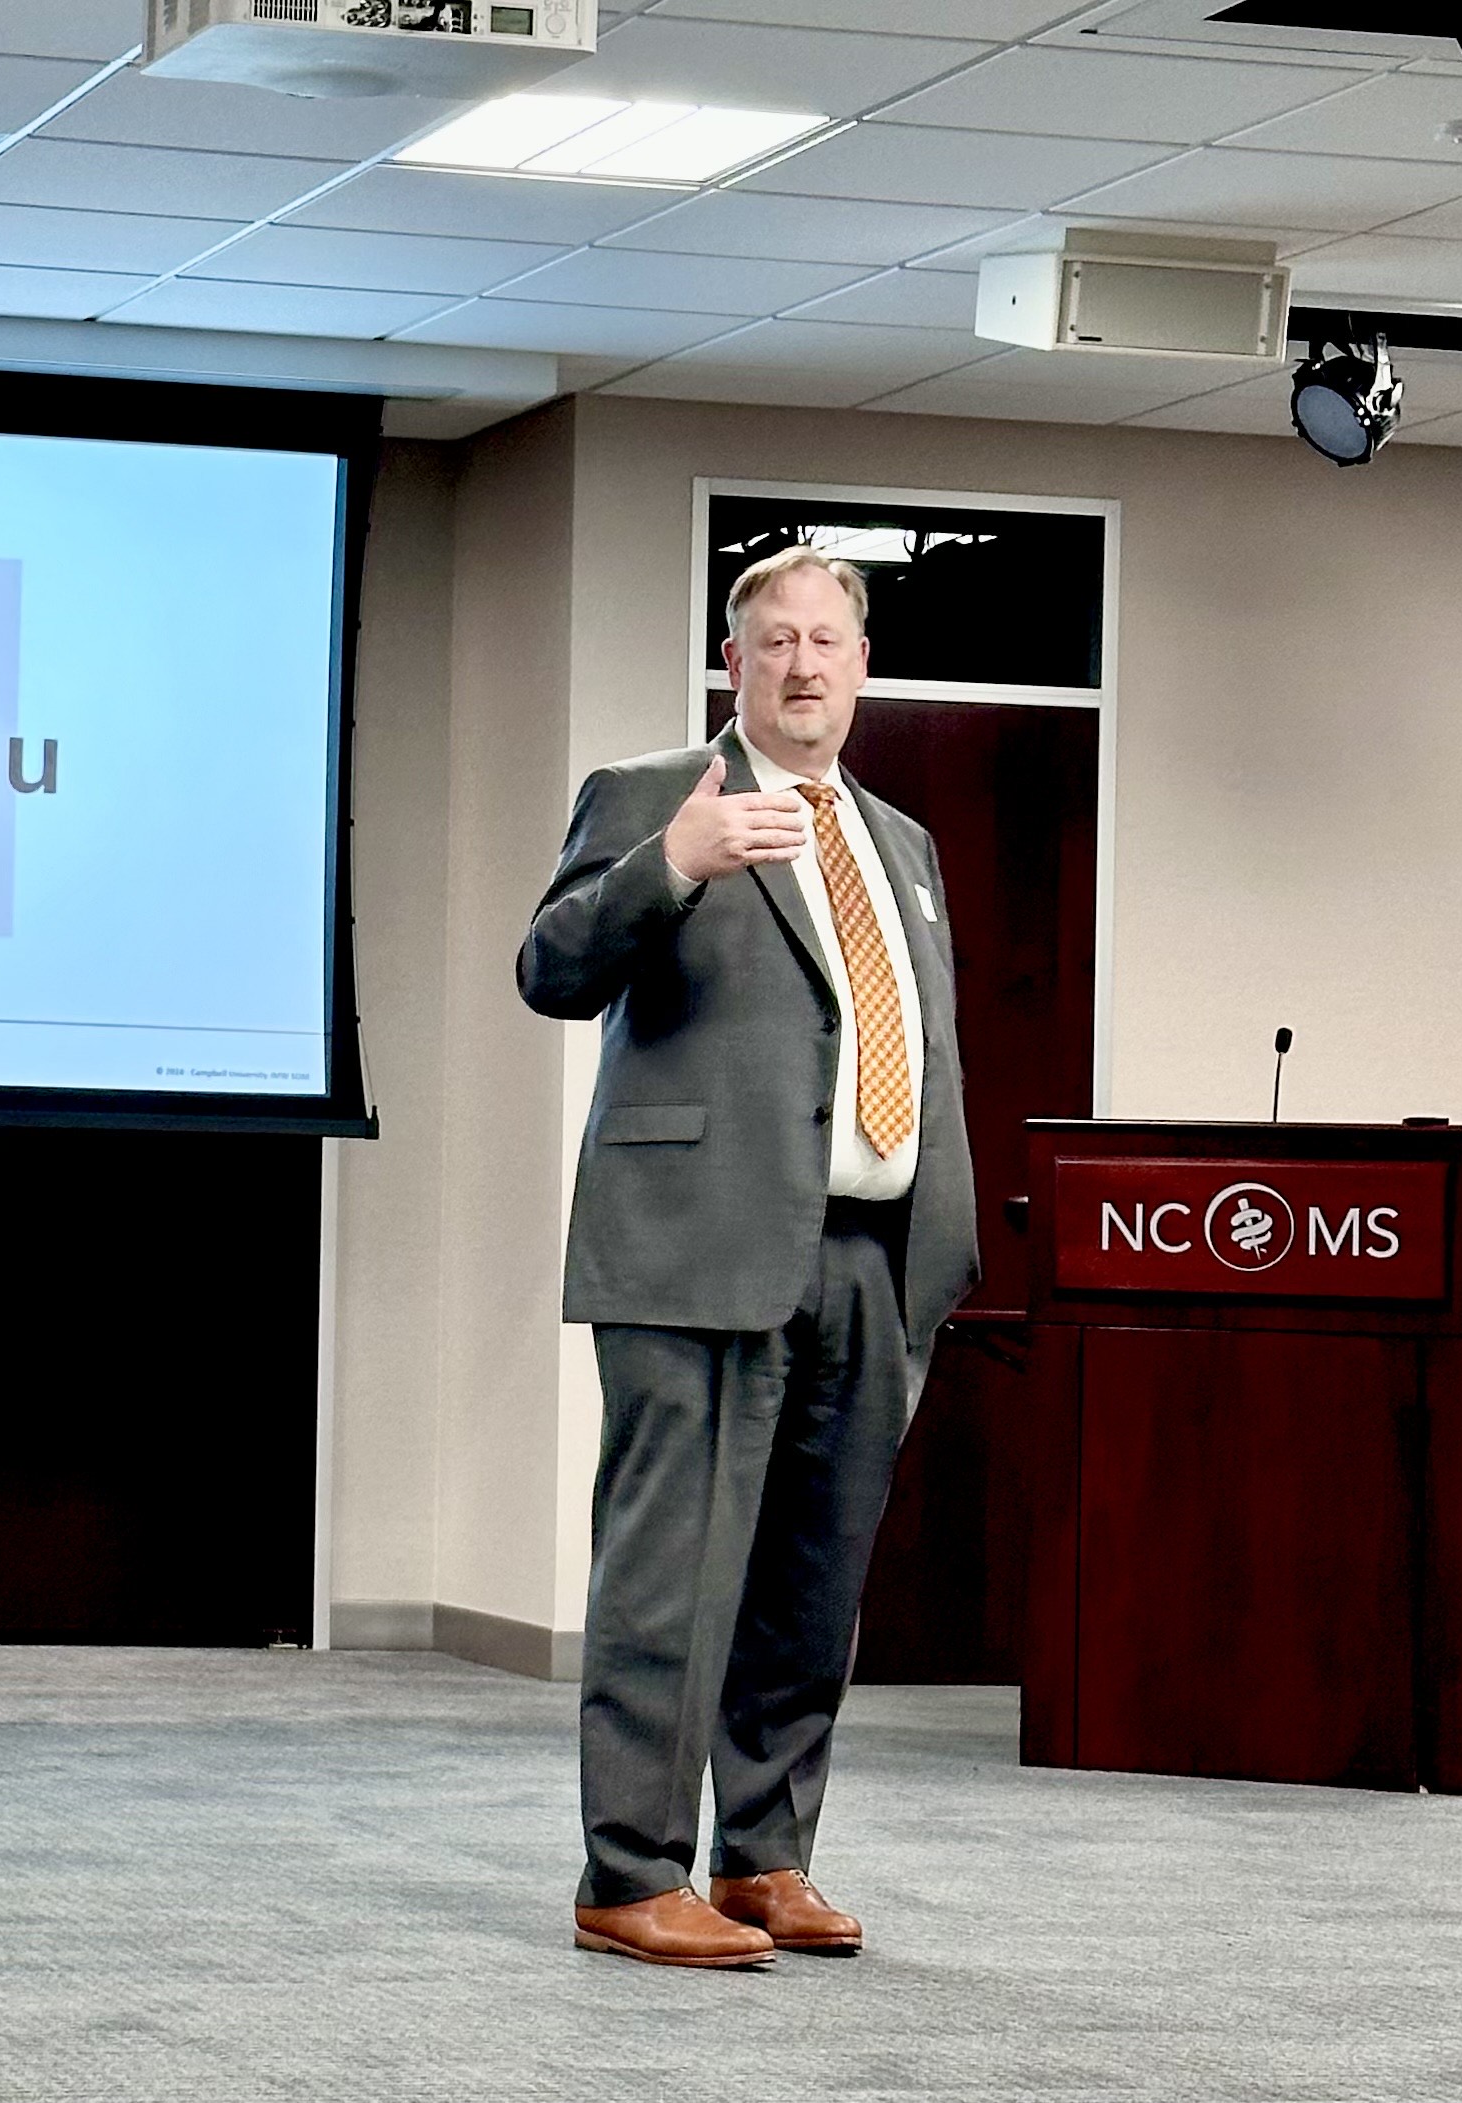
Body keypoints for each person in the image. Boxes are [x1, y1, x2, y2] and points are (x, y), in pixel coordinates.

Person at [516, 544, 978, 1971]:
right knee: (675, 1577)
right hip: (698, 1252)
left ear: (861, 664)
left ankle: (765, 1858)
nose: (801, 665)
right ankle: (628, 1873)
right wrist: (672, 869)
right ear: (735, 663)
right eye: (773, 640)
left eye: (825, 641)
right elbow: (553, 968)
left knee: (809, 1586)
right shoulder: (660, 798)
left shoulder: (899, 841)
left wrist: (939, 1249)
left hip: (870, 1261)